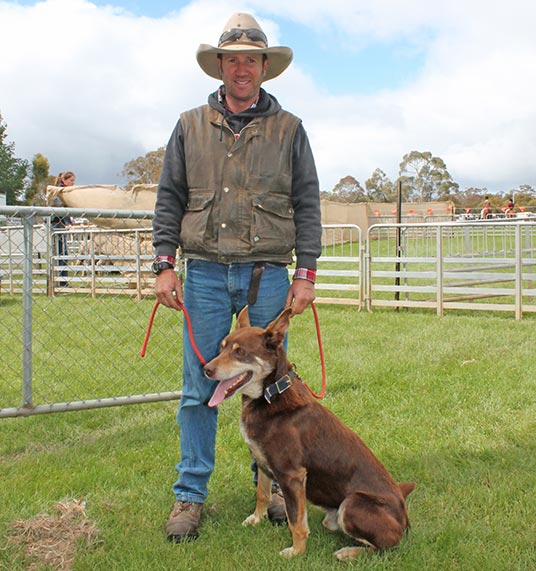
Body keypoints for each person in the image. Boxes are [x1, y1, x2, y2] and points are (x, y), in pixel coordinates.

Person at [152, 12, 322, 543]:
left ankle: (273, 485)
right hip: (201, 273)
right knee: (198, 386)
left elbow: (307, 204)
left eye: (252, 59)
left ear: (264, 67)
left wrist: (306, 273)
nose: (242, 68)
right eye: (233, 59)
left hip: (268, 275)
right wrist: (163, 262)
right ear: (219, 66)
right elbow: (169, 199)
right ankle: (190, 495)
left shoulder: (291, 129)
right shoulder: (187, 125)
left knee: (272, 386)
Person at [51, 171, 76, 286]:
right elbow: (60, 209)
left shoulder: (63, 192)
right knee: (60, 253)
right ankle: (61, 282)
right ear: (64, 180)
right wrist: (68, 223)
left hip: (59, 225)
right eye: (71, 181)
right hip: (57, 225)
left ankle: (62, 281)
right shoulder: (58, 193)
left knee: (63, 253)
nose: (72, 183)